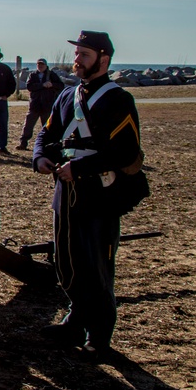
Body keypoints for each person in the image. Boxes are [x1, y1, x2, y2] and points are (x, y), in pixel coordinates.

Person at [33, 31, 146, 361]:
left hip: (99, 195)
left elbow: (125, 152)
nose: (76, 60)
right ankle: (75, 320)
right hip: (65, 194)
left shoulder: (118, 100)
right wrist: (40, 157)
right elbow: (48, 132)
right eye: (77, 54)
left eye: (83, 54)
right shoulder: (67, 97)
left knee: (97, 265)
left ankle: (99, 337)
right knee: (66, 261)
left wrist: (80, 169)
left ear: (103, 59)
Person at [17, 58, 65, 150]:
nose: (40, 66)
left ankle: (49, 144)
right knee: (28, 125)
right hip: (34, 105)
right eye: (38, 64)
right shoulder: (33, 75)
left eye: (42, 64)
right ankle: (23, 143)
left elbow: (60, 85)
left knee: (48, 126)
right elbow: (29, 86)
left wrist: (52, 85)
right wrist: (42, 85)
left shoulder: (51, 75)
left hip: (47, 105)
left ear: (46, 66)